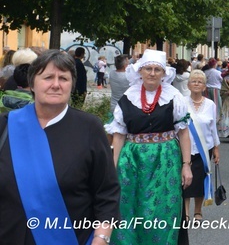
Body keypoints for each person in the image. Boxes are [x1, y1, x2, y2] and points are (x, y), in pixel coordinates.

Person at [0, 50, 119, 244]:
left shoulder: (89, 127)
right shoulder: (5, 125)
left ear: (72, 84)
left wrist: (101, 238)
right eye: (47, 77)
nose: (56, 84)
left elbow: (106, 192)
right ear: (32, 84)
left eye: (63, 78)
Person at [107, 49, 192, 244]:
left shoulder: (173, 96)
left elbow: (183, 132)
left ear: (164, 73)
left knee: (162, 211)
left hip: (166, 161)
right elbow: (119, 135)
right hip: (132, 161)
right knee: (129, 209)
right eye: (148, 69)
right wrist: (113, 166)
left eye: (157, 69)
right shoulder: (128, 97)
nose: (152, 73)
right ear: (140, 72)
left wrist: (186, 165)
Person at [184, 70, 220, 221]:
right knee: (184, 182)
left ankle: (198, 211)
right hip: (185, 150)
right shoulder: (181, 102)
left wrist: (217, 148)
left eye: (200, 81)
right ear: (188, 84)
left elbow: (213, 128)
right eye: (194, 81)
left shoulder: (210, 104)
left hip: (205, 149)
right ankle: (185, 213)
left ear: (205, 86)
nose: (197, 83)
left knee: (200, 181)